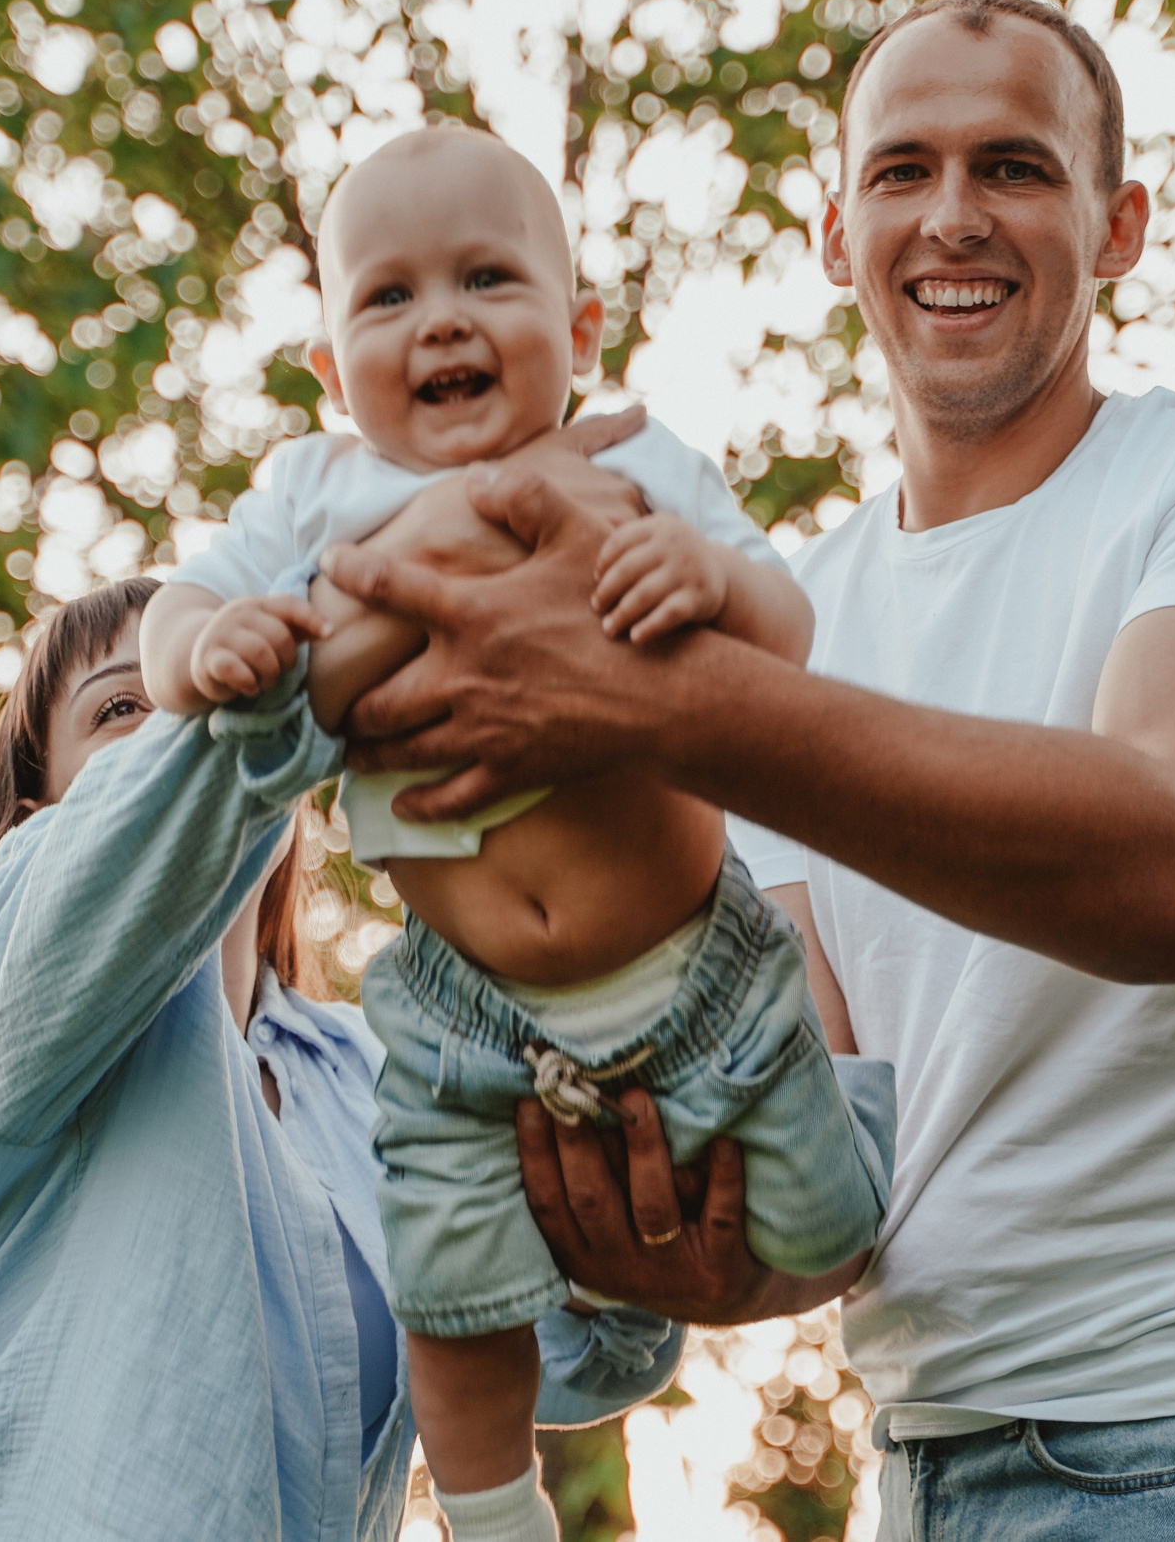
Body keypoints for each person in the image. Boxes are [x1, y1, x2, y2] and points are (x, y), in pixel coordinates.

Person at [318, 0, 1175, 1539]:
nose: (954, 217)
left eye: (1016, 168)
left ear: (1117, 226)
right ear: (835, 225)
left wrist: (657, 709)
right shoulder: (801, 614)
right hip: (926, 1462)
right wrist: (682, 1233)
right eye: (905, 170)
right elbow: (826, 1142)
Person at [137, 126, 894, 1542]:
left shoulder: (636, 465)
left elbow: (788, 628)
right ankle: (493, 1513)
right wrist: (206, 645)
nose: (442, 320)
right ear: (326, 367)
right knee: (447, 1286)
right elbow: (179, 606)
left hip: (695, 977)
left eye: (488, 278)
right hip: (460, 1015)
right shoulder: (312, 492)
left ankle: (754, 1186)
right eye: (388, 295)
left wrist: (705, 574)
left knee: (824, 1232)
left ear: (580, 326)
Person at [0, 574, 689, 1542]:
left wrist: (616, 1223)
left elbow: (573, 1352)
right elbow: (164, 813)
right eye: (122, 708)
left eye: (207, 684)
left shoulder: (369, 1069)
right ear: (36, 805)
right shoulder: (11, 976)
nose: (188, 718)